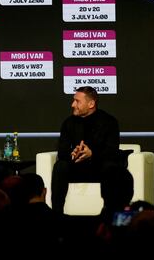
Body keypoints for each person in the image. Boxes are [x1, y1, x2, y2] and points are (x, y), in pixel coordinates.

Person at [51, 86, 120, 214]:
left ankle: (110, 215)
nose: (73, 104)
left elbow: (112, 151)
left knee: (111, 167)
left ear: (91, 104)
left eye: (77, 101)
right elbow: (62, 151)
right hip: (76, 167)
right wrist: (73, 153)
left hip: (99, 167)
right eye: (73, 100)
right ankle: (56, 215)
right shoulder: (68, 122)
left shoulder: (109, 122)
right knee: (60, 166)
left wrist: (92, 153)